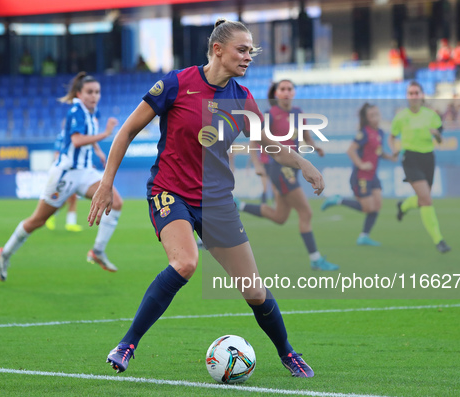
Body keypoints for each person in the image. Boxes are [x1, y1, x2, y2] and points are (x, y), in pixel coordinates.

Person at [88, 19, 324, 378]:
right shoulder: (175, 84)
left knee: (254, 291)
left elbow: (268, 145)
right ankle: (127, 344)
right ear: (218, 50)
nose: (248, 57)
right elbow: (127, 131)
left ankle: (288, 353)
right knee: (185, 263)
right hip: (170, 192)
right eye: (242, 50)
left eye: (251, 52)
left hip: (217, 202)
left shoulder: (241, 98)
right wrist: (107, 183)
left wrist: (303, 162)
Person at [0, 72, 124, 281]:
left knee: (115, 202)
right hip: (65, 174)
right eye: (89, 92)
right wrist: (106, 134)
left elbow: (87, 136)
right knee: (38, 220)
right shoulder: (75, 111)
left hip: (85, 172)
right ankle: (4, 253)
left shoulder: (92, 112)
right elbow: (77, 140)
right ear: (79, 94)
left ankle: (97, 251)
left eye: (97, 92)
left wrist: (98, 151)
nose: (94, 96)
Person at [235, 80, 339, 270]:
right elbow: (254, 139)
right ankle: (315, 258)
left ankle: (238, 204)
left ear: (294, 92)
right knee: (306, 212)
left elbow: (306, 136)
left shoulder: (298, 114)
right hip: (280, 167)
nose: (286, 92)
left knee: (280, 217)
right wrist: (257, 164)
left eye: (289, 89)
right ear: (276, 93)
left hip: (293, 167)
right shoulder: (270, 115)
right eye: (282, 89)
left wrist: (316, 147)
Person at [321, 103, 398, 246]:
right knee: (367, 208)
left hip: (372, 176)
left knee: (377, 205)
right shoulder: (364, 133)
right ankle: (338, 200)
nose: (376, 118)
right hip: (361, 176)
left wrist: (390, 157)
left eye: (377, 114)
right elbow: (350, 150)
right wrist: (361, 164)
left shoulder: (380, 132)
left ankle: (364, 236)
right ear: (367, 119)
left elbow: (378, 152)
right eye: (372, 115)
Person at [388, 81, 451, 253]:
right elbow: (391, 137)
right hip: (410, 158)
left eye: (416, 92)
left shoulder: (431, 115)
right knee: (426, 199)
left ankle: (403, 206)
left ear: (421, 95)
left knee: (423, 199)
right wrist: (394, 150)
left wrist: (437, 135)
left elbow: (440, 140)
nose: (414, 96)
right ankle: (439, 240)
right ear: (407, 97)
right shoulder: (400, 117)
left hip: (428, 158)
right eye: (411, 93)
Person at [44, 128, 90, 233]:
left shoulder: (78, 136)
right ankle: (51, 215)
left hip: (73, 171)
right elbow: (57, 153)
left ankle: (70, 223)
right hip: (63, 171)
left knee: (73, 197)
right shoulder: (63, 136)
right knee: (63, 197)